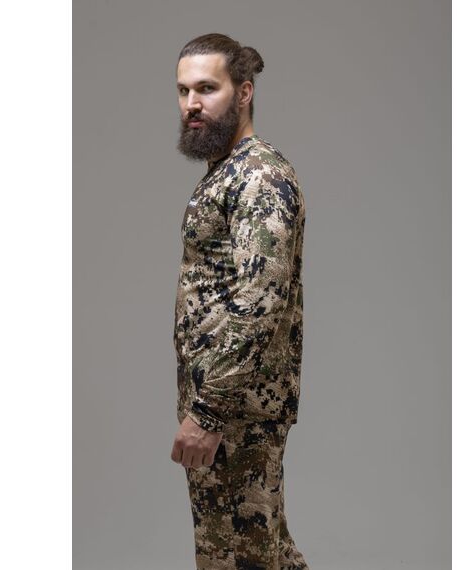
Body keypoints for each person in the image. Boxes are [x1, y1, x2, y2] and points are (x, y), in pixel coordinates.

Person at [170, 33, 309, 570]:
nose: (192, 103)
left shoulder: (259, 177)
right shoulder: (226, 173)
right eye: (184, 91)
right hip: (226, 407)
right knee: (259, 553)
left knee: (243, 558)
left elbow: (259, 301)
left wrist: (208, 411)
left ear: (244, 92)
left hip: (237, 411)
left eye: (207, 88)